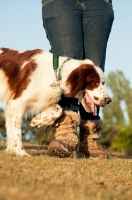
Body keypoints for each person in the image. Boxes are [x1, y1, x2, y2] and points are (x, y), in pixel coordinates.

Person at [41, 0, 114, 158]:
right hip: (61, 3)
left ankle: (89, 137)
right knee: (67, 66)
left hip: (100, 3)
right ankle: (65, 133)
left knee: (95, 67)